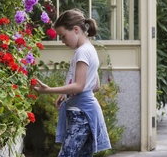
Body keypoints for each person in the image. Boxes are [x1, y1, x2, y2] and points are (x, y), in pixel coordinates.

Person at [34, 9, 111, 157]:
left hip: (81, 114)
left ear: (76, 30)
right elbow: (95, 86)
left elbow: (80, 86)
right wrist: (65, 93)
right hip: (87, 113)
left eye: (63, 36)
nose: (63, 41)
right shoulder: (90, 49)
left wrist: (48, 90)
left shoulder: (82, 52)